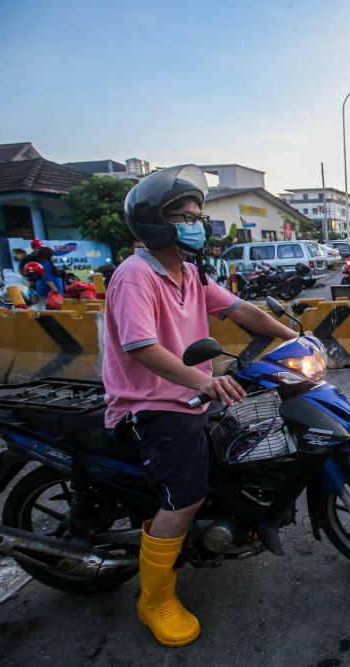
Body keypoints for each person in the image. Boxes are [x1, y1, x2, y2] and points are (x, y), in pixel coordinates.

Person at [103, 165, 296, 647]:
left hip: (188, 393)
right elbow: (140, 347)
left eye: (197, 213)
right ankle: (154, 600)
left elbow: (240, 310)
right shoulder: (135, 276)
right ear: (153, 222)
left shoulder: (189, 273)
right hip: (150, 405)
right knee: (183, 496)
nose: (195, 222)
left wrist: (297, 336)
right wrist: (202, 381)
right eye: (182, 214)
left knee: (253, 432)